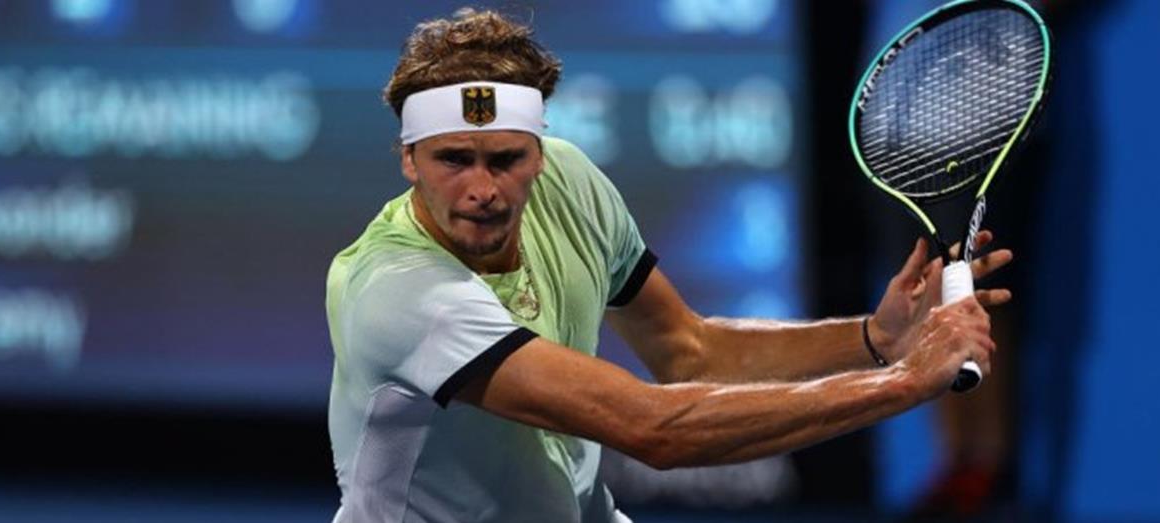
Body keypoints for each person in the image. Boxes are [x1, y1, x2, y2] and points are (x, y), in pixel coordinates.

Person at [324, 8, 1013, 523]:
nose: (482, 188)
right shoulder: (398, 292)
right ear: (408, 158)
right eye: (453, 160)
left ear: (538, 152)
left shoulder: (568, 180)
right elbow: (654, 428)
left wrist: (876, 338)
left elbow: (690, 350)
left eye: (507, 159)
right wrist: (903, 382)